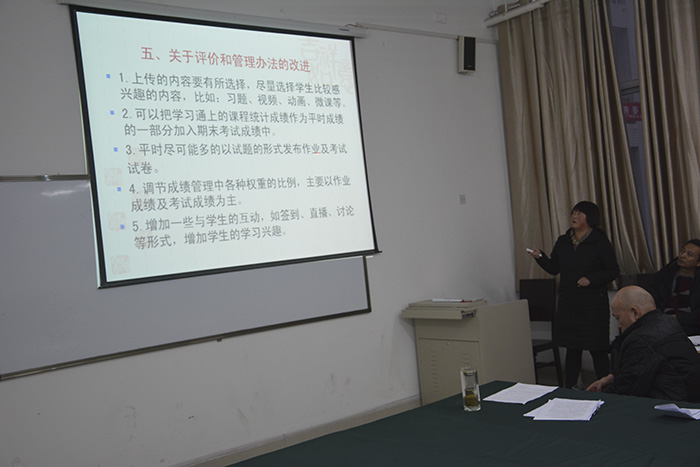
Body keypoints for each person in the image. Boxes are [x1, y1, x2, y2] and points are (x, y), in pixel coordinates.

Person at [528, 201, 619, 388]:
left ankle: (607, 389)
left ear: (590, 218)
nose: (574, 216)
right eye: (573, 213)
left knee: (598, 349)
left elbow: (613, 270)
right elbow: (554, 268)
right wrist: (541, 257)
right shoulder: (563, 241)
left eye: (580, 213)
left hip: (593, 305)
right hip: (569, 304)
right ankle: (569, 389)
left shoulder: (600, 241)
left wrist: (591, 279)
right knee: (572, 349)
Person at [586, 286, 700, 401]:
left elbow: (626, 390)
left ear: (635, 313)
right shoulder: (668, 322)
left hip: (670, 403)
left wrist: (597, 398)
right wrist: (612, 377)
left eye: (618, 318)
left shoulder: (640, 339)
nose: (619, 325)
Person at [646, 239, 700, 336]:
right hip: (662, 321)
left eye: (689, 255)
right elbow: (650, 298)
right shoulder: (665, 275)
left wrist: (677, 318)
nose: (682, 256)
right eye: (682, 251)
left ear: (698, 262)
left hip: (690, 325)